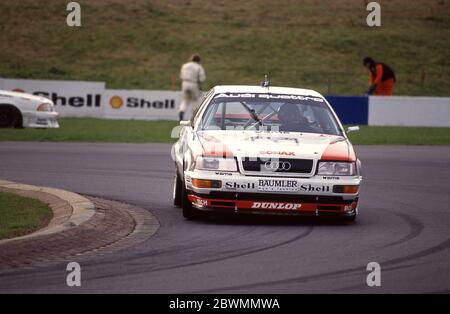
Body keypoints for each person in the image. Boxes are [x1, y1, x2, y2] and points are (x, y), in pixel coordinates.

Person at [178, 54, 206, 121]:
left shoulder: (185, 65)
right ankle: (194, 116)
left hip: (184, 83)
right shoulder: (198, 67)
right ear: (198, 60)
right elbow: (202, 78)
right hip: (194, 83)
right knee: (195, 100)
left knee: (185, 100)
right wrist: (199, 85)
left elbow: (181, 76)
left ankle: (181, 111)